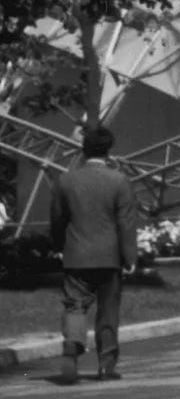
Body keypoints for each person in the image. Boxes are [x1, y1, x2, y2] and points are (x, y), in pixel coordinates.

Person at [49, 126, 138, 383]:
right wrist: (130, 257)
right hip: (110, 258)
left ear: (83, 149)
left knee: (75, 305)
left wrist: (58, 246)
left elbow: (57, 219)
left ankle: (72, 344)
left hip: (76, 255)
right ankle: (106, 365)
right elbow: (126, 223)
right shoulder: (119, 181)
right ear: (108, 151)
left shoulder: (66, 180)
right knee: (108, 310)